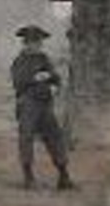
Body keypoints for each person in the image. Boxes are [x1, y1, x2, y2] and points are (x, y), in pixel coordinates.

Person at [11, 24, 73, 190]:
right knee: (26, 138)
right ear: (25, 43)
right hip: (28, 105)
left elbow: (56, 78)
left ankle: (63, 176)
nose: (37, 45)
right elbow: (18, 83)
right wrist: (36, 78)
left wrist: (50, 76)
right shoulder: (19, 61)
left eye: (39, 42)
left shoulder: (44, 59)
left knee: (55, 138)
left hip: (45, 104)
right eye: (33, 42)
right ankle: (28, 177)